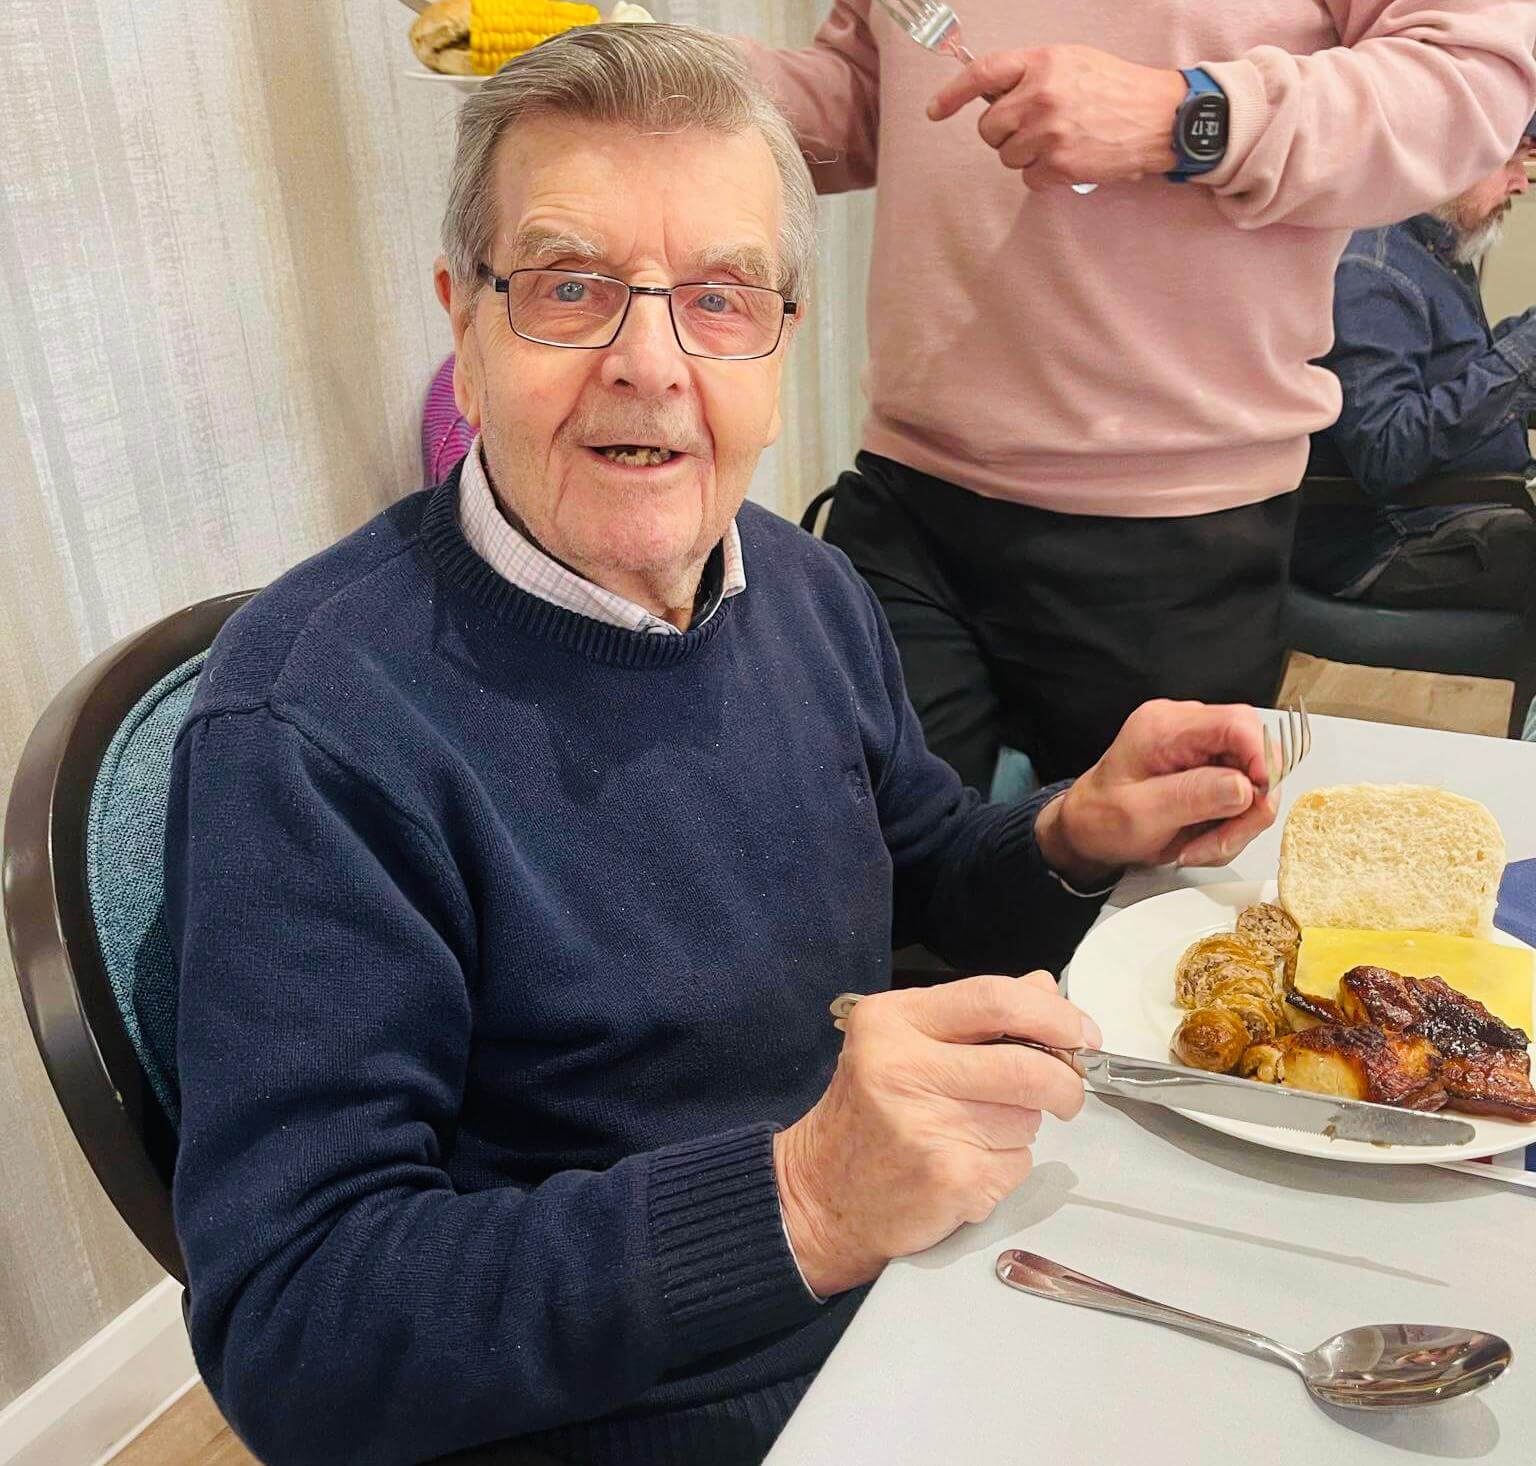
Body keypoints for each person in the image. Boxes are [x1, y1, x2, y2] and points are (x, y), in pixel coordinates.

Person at [166, 27, 1280, 1466]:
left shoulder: (805, 587)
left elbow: (922, 863)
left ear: (782, 336)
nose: (651, 363)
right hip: (639, 1409)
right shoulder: (315, 721)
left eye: (718, 297)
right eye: (569, 289)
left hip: (928, 1296)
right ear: (465, 320)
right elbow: (299, 1332)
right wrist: (801, 1199)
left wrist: (1074, 832)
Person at [741, 2, 1536, 788]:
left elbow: (1473, 82)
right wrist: (651, 71)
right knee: (880, 879)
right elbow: (866, 100)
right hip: (904, 489)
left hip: (1173, 528)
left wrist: (1185, 115)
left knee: (1139, 901)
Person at [1293, 118, 1536, 610]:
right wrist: (1526, 357)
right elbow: (1387, 451)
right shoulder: (1371, 269)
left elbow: (1462, 374)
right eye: (1510, 159)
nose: (1522, 181)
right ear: (1447, 160)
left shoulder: (1435, 251)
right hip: (1392, 540)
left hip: (1462, 511)